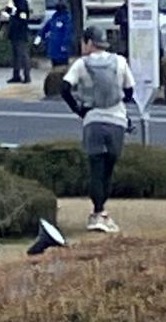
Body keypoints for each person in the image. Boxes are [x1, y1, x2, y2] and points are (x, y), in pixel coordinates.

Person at [59, 26, 136, 234]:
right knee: (108, 169)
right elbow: (130, 90)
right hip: (116, 120)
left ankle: (97, 212)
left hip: (92, 120)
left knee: (96, 168)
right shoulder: (120, 61)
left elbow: (64, 88)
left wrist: (78, 109)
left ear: (89, 43)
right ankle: (102, 213)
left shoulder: (81, 64)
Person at [4, 0, 33, 84]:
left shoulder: (22, 1)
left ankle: (27, 76)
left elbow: (23, 15)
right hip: (14, 31)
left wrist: (13, 12)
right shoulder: (13, 1)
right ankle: (16, 75)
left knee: (23, 54)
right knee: (15, 55)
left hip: (21, 32)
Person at [37, 0, 72, 67]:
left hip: (55, 49)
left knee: (56, 67)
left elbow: (42, 31)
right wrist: (65, 45)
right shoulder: (65, 19)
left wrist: (38, 41)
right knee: (62, 67)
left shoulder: (54, 19)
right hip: (60, 50)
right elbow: (67, 33)